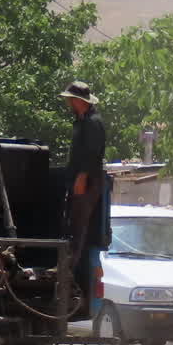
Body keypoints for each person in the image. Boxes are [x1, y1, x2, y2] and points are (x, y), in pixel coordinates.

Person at [60, 79, 106, 295]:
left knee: (79, 227)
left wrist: (82, 178)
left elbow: (92, 153)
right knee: (72, 225)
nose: (68, 103)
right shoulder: (80, 121)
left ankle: (69, 275)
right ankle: (65, 269)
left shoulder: (92, 122)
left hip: (87, 181)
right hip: (78, 177)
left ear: (79, 101)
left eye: (71, 99)